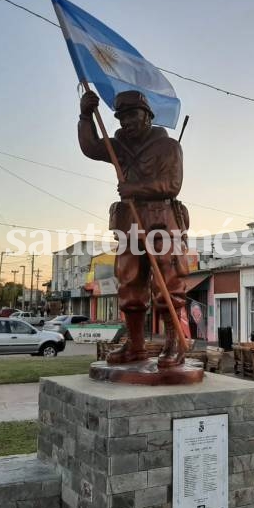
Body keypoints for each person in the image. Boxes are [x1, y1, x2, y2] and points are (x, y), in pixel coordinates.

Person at [79, 90, 189, 368]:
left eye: (132, 115)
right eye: (122, 116)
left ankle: (173, 344)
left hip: (161, 221)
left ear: (148, 117)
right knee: (129, 283)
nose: (126, 121)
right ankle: (136, 346)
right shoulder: (120, 145)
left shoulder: (168, 147)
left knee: (168, 284)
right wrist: (85, 115)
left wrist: (135, 188)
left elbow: (172, 185)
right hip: (130, 224)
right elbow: (91, 147)